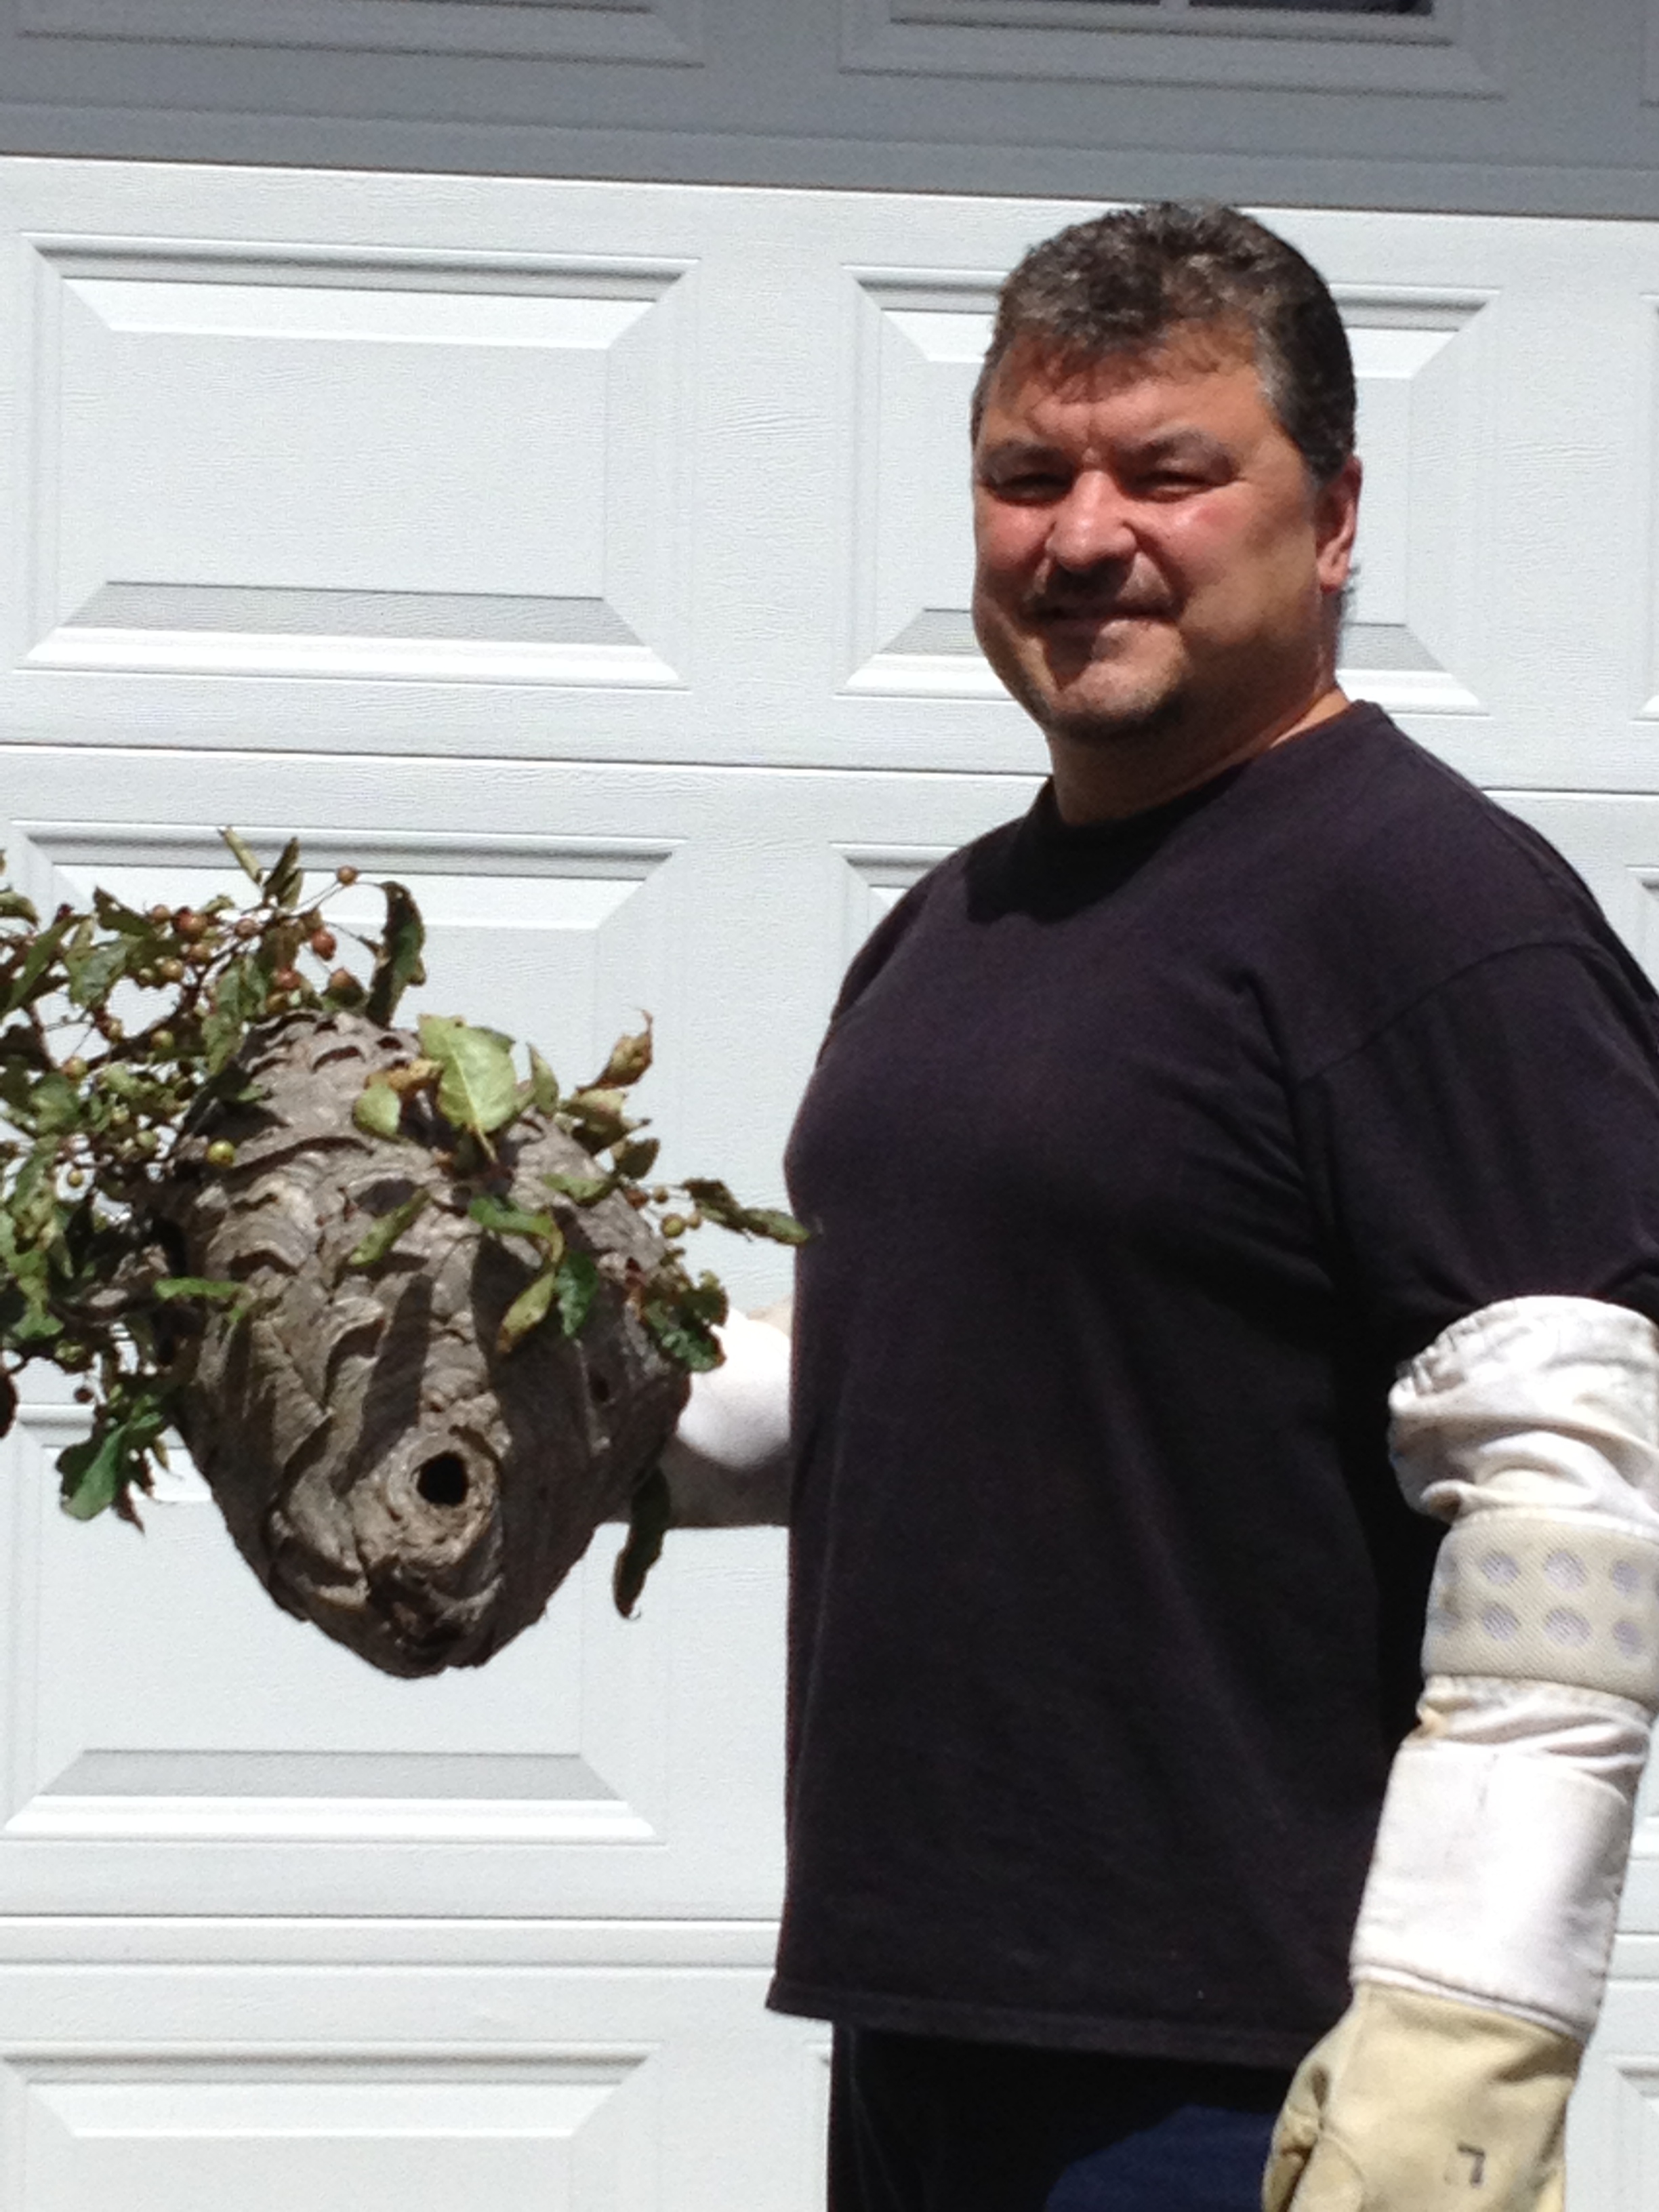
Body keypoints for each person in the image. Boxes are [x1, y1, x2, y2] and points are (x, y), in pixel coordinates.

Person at [665, 201, 1659, 2211]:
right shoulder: (958, 924)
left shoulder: (1426, 914)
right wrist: (532, 1405)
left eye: (1171, 472)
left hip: (1244, 2081)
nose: (1082, 531)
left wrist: (1464, 2037)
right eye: (1028, 475)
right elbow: (937, 1372)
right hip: (930, 2024)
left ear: (1337, 512)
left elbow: (1578, 1496)